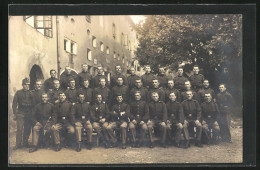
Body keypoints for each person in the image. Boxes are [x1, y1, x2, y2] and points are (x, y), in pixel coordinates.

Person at [12, 78, 34, 149]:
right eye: (25, 85)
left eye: (28, 85)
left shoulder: (31, 93)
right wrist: (15, 113)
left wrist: (32, 114)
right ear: (22, 85)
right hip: (21, 113)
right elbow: (14, 104)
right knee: (20, 129)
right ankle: (18, 144)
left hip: (29, 113)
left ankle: (25, 143)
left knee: (27, 129)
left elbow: (34, 104)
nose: (27, 86)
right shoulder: (18, 93)